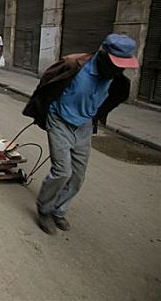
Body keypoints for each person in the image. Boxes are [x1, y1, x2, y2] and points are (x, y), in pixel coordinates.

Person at [22, 33, 139, 235]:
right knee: (62, 171)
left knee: (77, 175)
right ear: (102, 55)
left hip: (83, 125)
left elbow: (111, 100)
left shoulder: (118, 81)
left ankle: (59, 210)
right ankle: (44, 209)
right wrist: (42, 113)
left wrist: (95, 117)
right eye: (115, 65)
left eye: (123, 66)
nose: (118, 70)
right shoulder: (73, 65)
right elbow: (46, 85)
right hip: (59, 120)